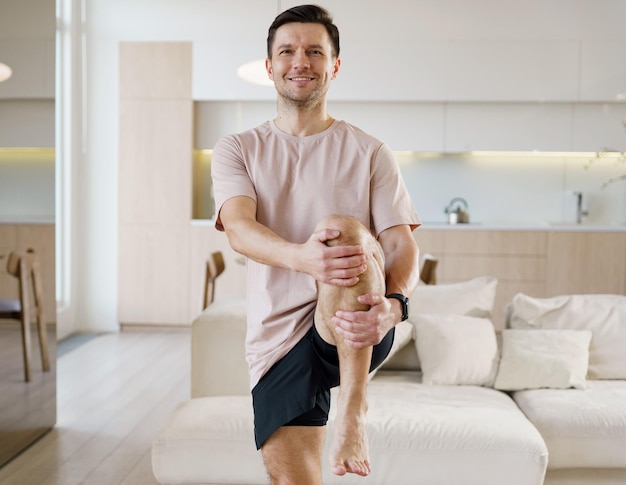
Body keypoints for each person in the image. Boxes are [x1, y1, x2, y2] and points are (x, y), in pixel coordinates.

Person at [211, 4, 421, 483]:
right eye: (286, 51)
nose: (299, 61)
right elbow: (240, 229)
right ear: (270, 67)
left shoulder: (370, 151)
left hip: (357, 322)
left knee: (340, 227)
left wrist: (396, 305)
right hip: (277, 338)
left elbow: (399, 244)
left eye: (313, 51)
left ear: (334, 66)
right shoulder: (238, 149)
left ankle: (353, 407)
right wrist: (305, 259)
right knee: (292, 479)